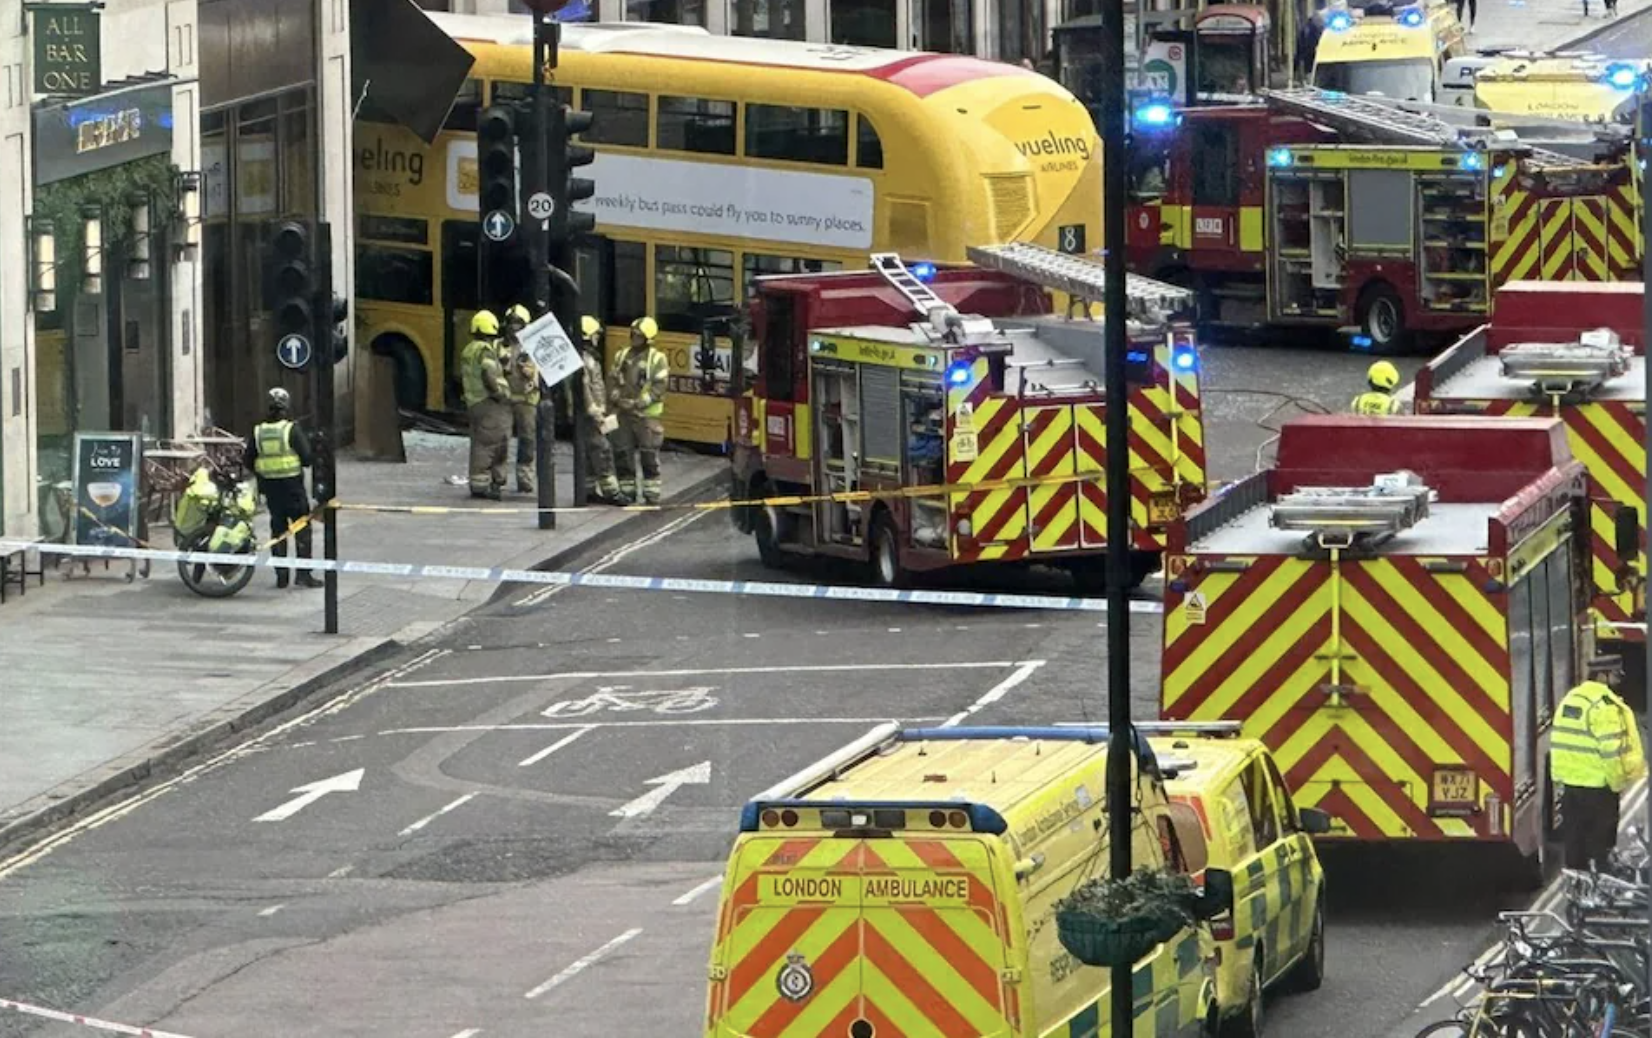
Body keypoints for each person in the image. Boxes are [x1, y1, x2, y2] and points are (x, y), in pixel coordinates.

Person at [1551, 657, 1647, 870]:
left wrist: (1560, 778)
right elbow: (1611, 752)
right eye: (1615, 675)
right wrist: (1618, 784)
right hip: (1599, 788)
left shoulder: (1571, 699)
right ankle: (1602, 886)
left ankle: (1577, 890)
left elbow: (1558, 741)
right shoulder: (1604, 707)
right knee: (1601, 845)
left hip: (1571, 785)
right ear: (1602, 675)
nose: (1618, 680)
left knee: (1574, 843)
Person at [243, 387, 323, 589]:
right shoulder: (291, 430)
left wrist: (265, 471)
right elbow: (306, 459)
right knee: (301, 529)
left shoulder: (258, 431)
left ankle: (281, 576)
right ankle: (303, 575)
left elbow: (248, 460)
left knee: (278, 530)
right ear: (286, 407)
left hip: (271, 489)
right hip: (293, 488)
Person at [608, 315, 670, 505]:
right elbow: (612, 379)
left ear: (648, 338)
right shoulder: (621, 355)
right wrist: (616, 398)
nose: (634, 337)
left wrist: (637, 403)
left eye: (638, 335)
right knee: (622, 452)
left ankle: (651, 493)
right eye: (633, 334)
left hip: (646, 416)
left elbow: (658, 388)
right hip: (623, 414)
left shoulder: (657, 359)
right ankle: (628, 491)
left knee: (648, 454)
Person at [461, 310, 511, 501]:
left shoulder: (469, 349)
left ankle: (479, 482)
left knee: (479, 442)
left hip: (474, 402)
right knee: (491, 444)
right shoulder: (485, 349)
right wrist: (498, 394)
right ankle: (483, 486)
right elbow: (488, 374)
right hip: (487, 402)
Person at [575, 316, 626, 505]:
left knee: (590, 453)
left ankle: (588, 490)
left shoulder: (586, 358)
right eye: (596, 334)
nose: (598, 338)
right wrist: (594, 410)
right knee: (602, 450)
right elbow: (585, 386)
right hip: (590, 415)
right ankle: (612, 492)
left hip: (591, 413)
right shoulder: (585, 360)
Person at [502, 303, 540, 495]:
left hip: (527, 402)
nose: (514, 328)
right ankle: (497, 477)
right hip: (505, 401)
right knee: (500, 440)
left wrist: (531, 373)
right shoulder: (500, 346)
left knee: (527, 441)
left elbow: (542, 375)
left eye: (518, 324)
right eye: (511, 323)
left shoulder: (534, 346)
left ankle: (525, 478)